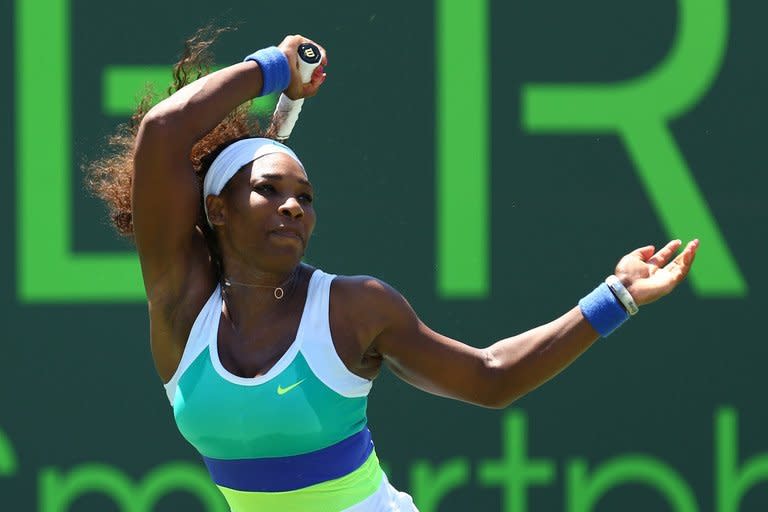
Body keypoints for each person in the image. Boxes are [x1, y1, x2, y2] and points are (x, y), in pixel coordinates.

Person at [87, 31, 698, 512]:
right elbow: (164, 131)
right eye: (270, 191)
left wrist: (616, 297)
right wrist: (275, 65)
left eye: (306, 196)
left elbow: (490, 377)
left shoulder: (355, 309)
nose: (295, 206)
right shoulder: (181, 304)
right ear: (216, 209)